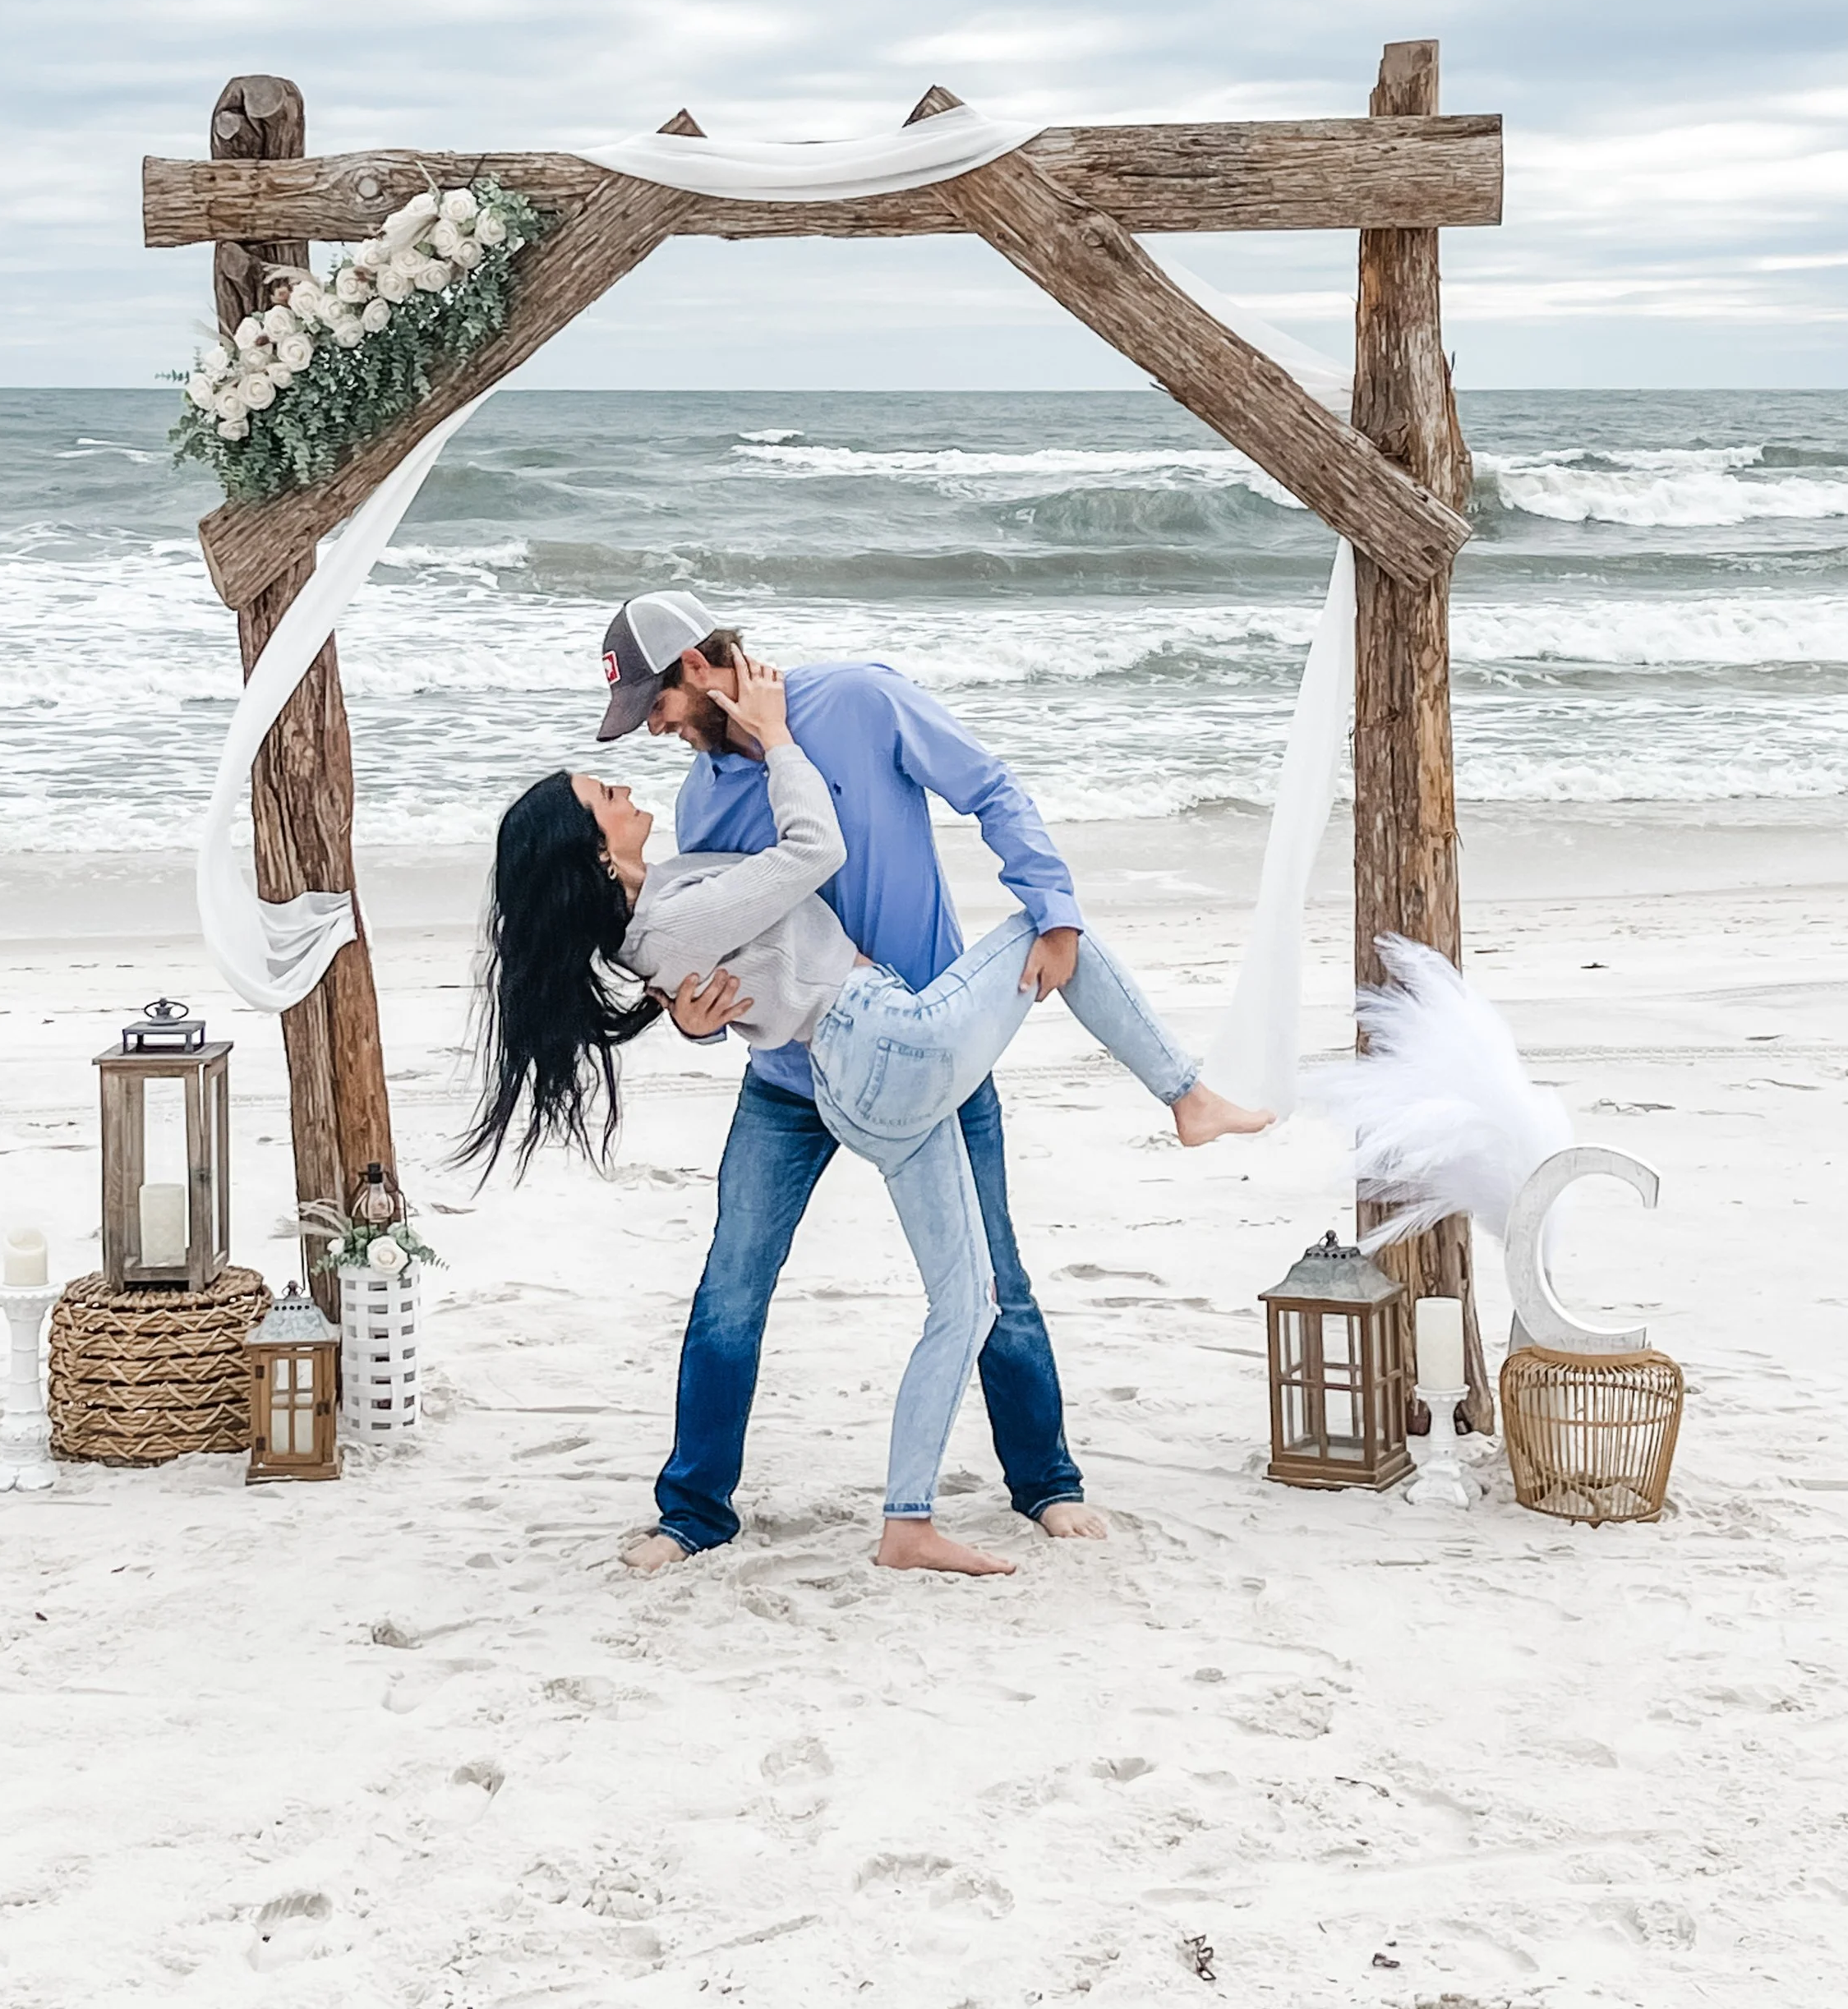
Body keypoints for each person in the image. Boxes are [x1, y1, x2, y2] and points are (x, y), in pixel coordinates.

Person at [463, 649, 1271, 1575]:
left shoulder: (862, 702)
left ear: (697, 665)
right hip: (801, 1074)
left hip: (926, 1043)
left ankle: (1042, 1483)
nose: (655, 729)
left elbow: (990, 792)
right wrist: (687, 1021)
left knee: (992, 1281)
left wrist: (1052, 903)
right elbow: (726, 949)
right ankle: (693, 1513)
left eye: (659, 703)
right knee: (732, 1294)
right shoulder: (698, 802)